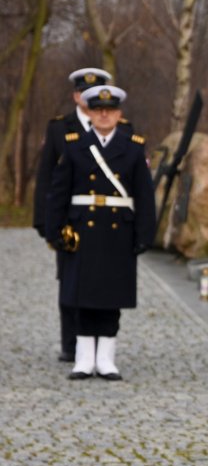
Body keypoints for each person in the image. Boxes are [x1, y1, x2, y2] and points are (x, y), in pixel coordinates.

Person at [45, 85, 156, 381]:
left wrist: (145, 234)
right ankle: (83, 359)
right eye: (98, 110)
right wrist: (54, 230)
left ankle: (106, 358)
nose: (104, 115)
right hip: (82, 233)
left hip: (119, 234)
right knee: (82, 296)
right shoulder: (73, 144)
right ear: (90, 113)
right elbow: (59, 192)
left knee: (111, 297)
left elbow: (145, 195)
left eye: (110, 110)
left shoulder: (133, 147)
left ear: (119, 114)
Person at [33, 68, 133, 362]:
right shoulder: (59, 128)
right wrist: (45, 222)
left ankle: (98, 347)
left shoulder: (124, 129)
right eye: (83, 92)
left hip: (110, 225)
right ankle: (71, 343)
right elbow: (47, 178)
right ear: (77, 96)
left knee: (105, 282)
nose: (89, 99)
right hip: (70, 221)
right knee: (69, 279)